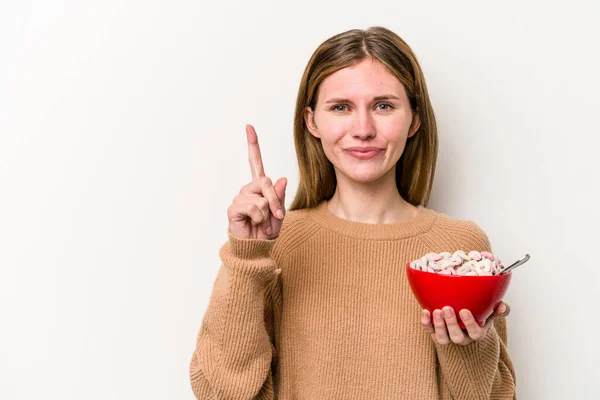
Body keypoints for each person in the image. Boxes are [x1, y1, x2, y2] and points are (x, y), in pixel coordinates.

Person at [189, 26, 517, 399]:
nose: (363, 129)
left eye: (383, 106)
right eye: (341, 107)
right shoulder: (276, 244)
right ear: (312, 121)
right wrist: (247, 257)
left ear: (414, 119)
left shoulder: (459, 249)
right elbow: (219, 393)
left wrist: (468, 346)